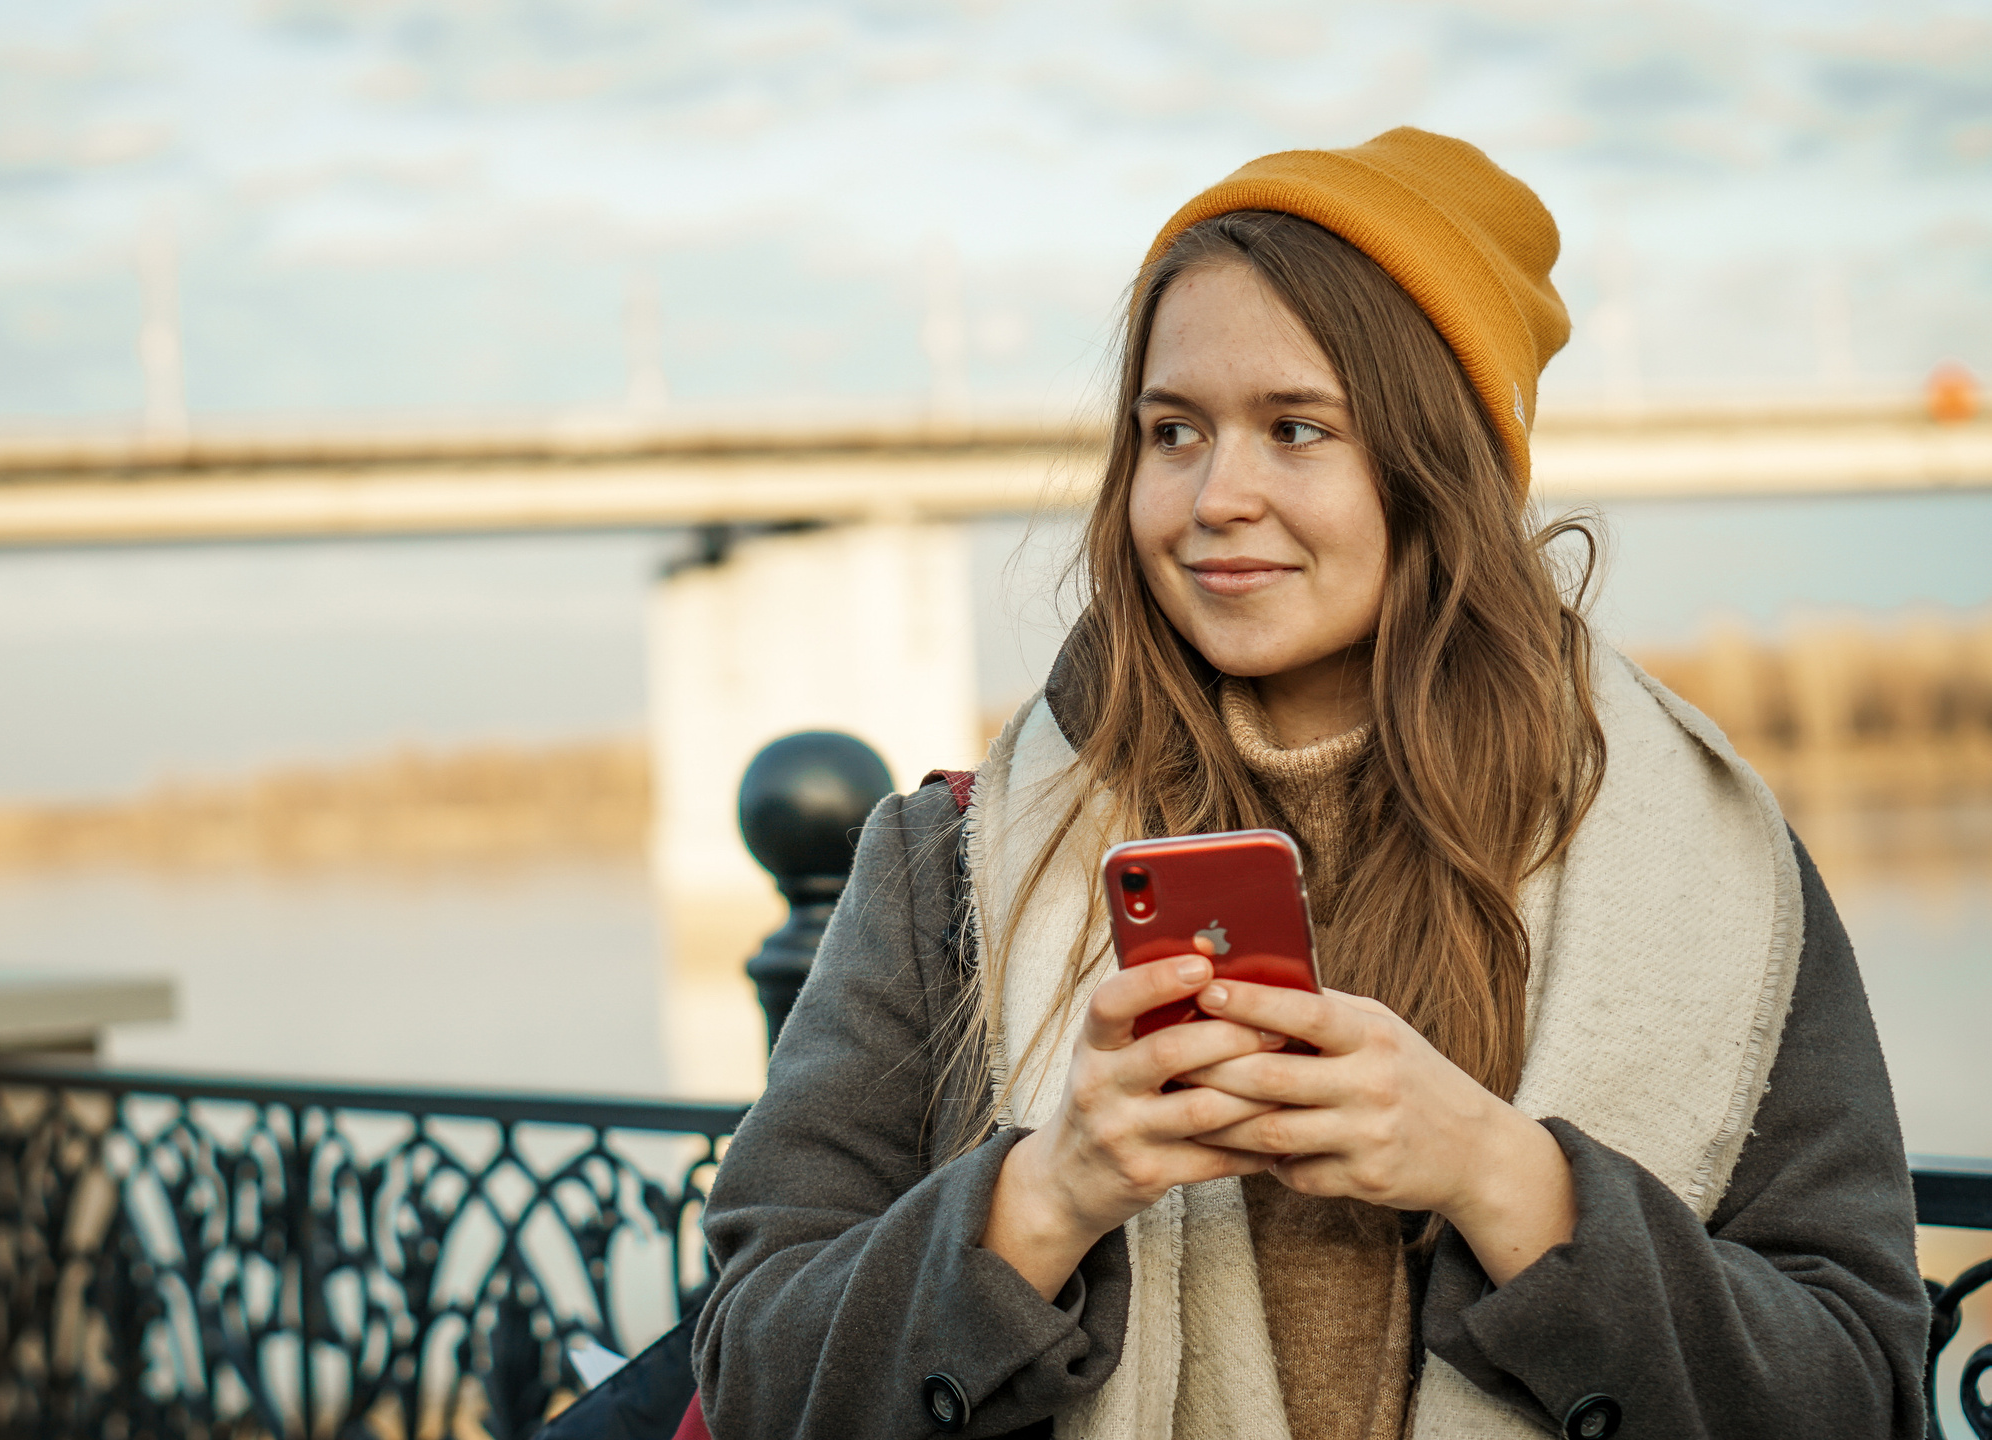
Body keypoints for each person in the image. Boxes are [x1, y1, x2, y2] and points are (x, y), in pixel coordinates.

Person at [691, 128, 1931, 1440]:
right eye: (1170, 432)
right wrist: (1046, 1199)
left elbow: (1858, 1388)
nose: (1215, 495)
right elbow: (756, 1374)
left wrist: (1497, 1178)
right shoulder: (944, 862)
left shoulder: (1709, 866)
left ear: (1436, 467)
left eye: (1295, 429)